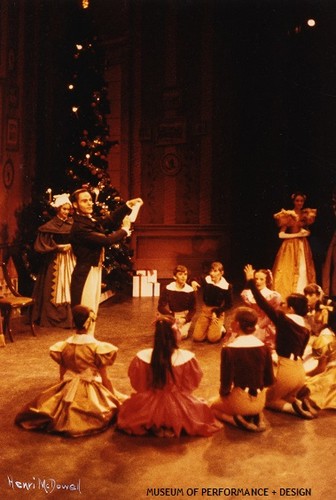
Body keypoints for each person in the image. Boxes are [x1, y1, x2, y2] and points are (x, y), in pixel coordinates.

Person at [15, 305, 125, 437]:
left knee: (52, 405)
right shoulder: (97, 348)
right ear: (89, 324)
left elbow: (62, 375)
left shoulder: (64, 346)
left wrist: (62, 391)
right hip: (90, 389)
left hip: (69, 385)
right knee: (110, 406)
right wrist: (115, 400)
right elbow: (105, 378)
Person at [117, 316, 222, 437]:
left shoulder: (142, 357)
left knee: (129, 412)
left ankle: (155, 423)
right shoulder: (186, 358)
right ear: (174, 335)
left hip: (149, 403)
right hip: (178, 405)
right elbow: (191, 385)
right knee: (201, 411)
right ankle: (170, 423)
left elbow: (138, 384)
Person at [244, 264, 315, 419]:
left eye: (285, 305)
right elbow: (301, 351)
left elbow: (263, 303)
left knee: (267, 401)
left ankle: (291, 407)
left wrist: (250, 282)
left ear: (291, 309)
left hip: (287, 372)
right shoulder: (306, 326)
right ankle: (297, 400)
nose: (282, 306)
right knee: (285, 394)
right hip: (299, 373)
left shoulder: (283, 319)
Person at [70, 188, 140, 334]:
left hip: (94, 270)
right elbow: (106, 240)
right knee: (86, 311)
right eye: (84, 201)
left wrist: (127, 206)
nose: (89, 203)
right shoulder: (80, 227)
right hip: (85, 274)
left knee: (93, 310)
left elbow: (109, 220)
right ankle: (84, 346)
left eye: (90, 200)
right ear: (75, 205)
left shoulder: (89, 220)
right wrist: (125, 230)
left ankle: (89, 342)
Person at [210, 307, 274, 432]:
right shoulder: (264, 347)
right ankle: (257, 416)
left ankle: (237, 420)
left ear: (237, 324)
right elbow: (269, 380)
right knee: (247, 402)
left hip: (241, 399)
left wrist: (224, 397)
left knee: (211, 405)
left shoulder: (229, 349)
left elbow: (225, 385)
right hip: (261, 400)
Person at [32, 193, 76, 328]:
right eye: (64, 209)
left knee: (71, 286)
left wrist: (72, 245)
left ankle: (73, 317)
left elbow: (79, 238)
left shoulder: (72, 224)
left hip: (70, 259)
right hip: (55, 260)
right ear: (58, 209)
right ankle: (53, 317)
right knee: (54, 288)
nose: (66, 212)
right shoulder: (49, 226)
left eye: (68, 209)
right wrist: (57, 247)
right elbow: (42, 244)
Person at [272, 192, 317, 300]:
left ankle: (303, 294)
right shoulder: (288, 215)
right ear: (293, 201)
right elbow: (281, 234)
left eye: (301, 201)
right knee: (288, 270)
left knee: (303, 269)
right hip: (290, 246)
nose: (299, 203)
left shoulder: (306, 214)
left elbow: (307, 230)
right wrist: (297, 235)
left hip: (303, 245)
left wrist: (306, 233)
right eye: (297, 200)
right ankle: (289, 295)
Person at [241, 268, 282, 351]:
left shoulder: (273, 296)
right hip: (251, 320)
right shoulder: (248, 293)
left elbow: (270, 317)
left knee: (253, 344)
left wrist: (257, 327)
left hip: (265, 325)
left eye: (261, 279)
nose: (258, 281)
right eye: (256, 279)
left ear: (267, 281)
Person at [191, 261, 233, 343]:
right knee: (197, 338)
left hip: (217, 312)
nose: (211, 273)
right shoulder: (206, 279)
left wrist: (217, 312)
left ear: (221, 273)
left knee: (212, 339)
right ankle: (209, 326)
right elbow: (195, 278)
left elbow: (229, 304)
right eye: (211, 271)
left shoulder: (227, 286)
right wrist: (193, 281)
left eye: (215, 271)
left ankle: (221, 328)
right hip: (205, 311)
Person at [298, 330, 336, 411]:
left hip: (331, 376)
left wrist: (303, 374)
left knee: (304, 387)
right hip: (331, 375)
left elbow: (320, 368)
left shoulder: (325, 340)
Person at [157, 264, 196, 339]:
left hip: (184, 316)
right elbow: (160, 306)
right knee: (163, 333)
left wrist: (185, 319)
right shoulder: (168, 288)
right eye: (180, 274)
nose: (183, 277)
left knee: (181, 335)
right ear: (174, 277)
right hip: (172, 315)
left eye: (185, 274)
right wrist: (171, 315)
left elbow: (193, 309)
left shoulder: (190, 290)